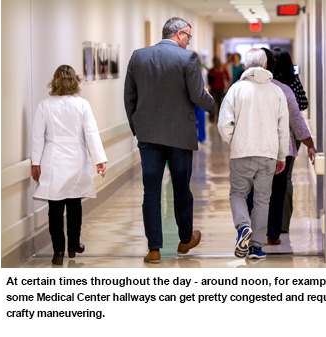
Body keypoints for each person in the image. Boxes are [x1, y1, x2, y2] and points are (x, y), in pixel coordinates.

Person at [124, 17, 215, 263]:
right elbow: (198, 96)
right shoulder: (187, 59)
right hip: (179, 136)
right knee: (181, 189)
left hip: (148, 136)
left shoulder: (138, 57)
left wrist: (138, 128)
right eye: (188, 35)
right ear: (178, 35)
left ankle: (154, 249)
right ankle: (185, 239)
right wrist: (213, 103)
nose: (189, 41)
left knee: (151, 192)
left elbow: (129, 97)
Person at [31, 65, 107, 266]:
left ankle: (58, 251)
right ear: (75, 80)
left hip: (52, 161)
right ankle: (74, 245)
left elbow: (37, 137)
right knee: (74, 206)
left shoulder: (44, 105)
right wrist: (100, 159)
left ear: (54, 81)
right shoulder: (82, 105)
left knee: (54, 209)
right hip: (76, 161)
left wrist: (35, 162)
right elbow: (91, 133)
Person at [218, 48, 289, 259]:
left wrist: (234, 141)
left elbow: (224, 124)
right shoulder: (276, 92)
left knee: (238, 194)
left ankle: (242, 227)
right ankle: (256, 246)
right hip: (268, 153)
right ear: (266, 65)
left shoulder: (236, 90)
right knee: (262, 200)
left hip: (242, 152)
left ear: (246, 67)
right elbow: (283, 128)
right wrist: (282, 156)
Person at [261, 48, 316, 244]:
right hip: (287, 142)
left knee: (261, 183)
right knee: (283, 183)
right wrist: (308, 142)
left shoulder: (254, 85)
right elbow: (300, 110)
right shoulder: (290, 84)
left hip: (261, 142)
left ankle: (260, 225)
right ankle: (279, 226)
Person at [272, 47, 309, 233]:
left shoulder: (270, 84)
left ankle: (269, 221)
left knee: (268, 177)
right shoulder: (293, 82)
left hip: (271, 134)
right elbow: (303, 104)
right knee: (286, 177)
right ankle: (283, 223)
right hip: (293, 135)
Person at [208, 56, 230, 122]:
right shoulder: (211, 70)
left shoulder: (223, 69)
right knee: (213, 104)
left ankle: (220, 117)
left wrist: (226, 85)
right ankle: (212, 117)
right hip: (213, 89)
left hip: (221, 89)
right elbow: (209, 80)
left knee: (221, 104)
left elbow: (228, 78)